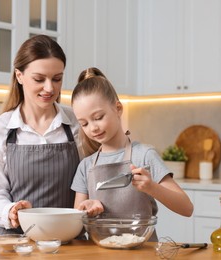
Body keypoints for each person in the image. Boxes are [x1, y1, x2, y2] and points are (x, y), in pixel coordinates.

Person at [70, 67, 194, 241]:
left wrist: (152, 187)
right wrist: (87, 209)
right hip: (100, 254)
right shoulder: (86, 166)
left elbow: (187, 208)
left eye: (98, 117)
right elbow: (76, 226)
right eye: (84, 123)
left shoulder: (144, 155)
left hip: (143, 254)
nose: (93, 128)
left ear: (118, 108)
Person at [0, 35, 80, 235]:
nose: (50, 88)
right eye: (39, 79)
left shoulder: (77, 123)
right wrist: (11, 211)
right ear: (19, 76)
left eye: (57, 79)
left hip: (69, 242)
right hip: (15, 244)